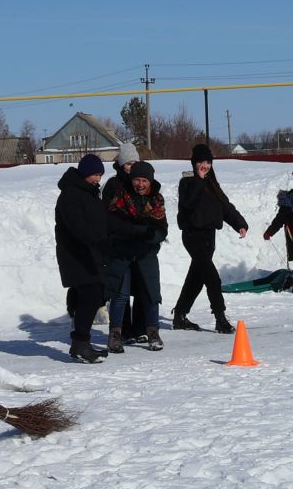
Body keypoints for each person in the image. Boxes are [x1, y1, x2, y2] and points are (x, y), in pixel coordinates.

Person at [172, 142, 247, 333]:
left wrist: (240, 223)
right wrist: (199, 179)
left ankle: (180, 315)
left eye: (208, 162)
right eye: (201, 162)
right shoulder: (187, 181)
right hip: (193, 236)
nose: (205, 166)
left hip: (209, 237)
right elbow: (188, 203)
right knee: (212, 278)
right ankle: (220, 318)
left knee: (196, 278)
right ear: (194, 163)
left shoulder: (213, 183)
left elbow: (225, 207)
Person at [105, 161, 168, 351]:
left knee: (150, 293)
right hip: (122, 254)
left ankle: (153, 333)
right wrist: (138, 231)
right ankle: (115, 334)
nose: (140, 184)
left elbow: (162, 230)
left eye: (144, 181)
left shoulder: (156, 200)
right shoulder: (120, 198)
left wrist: (151, 236)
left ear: (150, 182)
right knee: (120, 294)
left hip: (145, 254)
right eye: (137, 180)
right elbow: (113, 226)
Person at [54, 153, 110, 363]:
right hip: (76, 254)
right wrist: (98, 240)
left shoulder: (89, 193)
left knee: (92, 294)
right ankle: (80, 343)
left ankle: (81, 342)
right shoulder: (71, 195)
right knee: (91, 293)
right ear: (85, 173)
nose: (98, 179)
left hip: (90, 252)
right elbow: (77, 227)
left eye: (100, 175)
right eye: (95, 174)